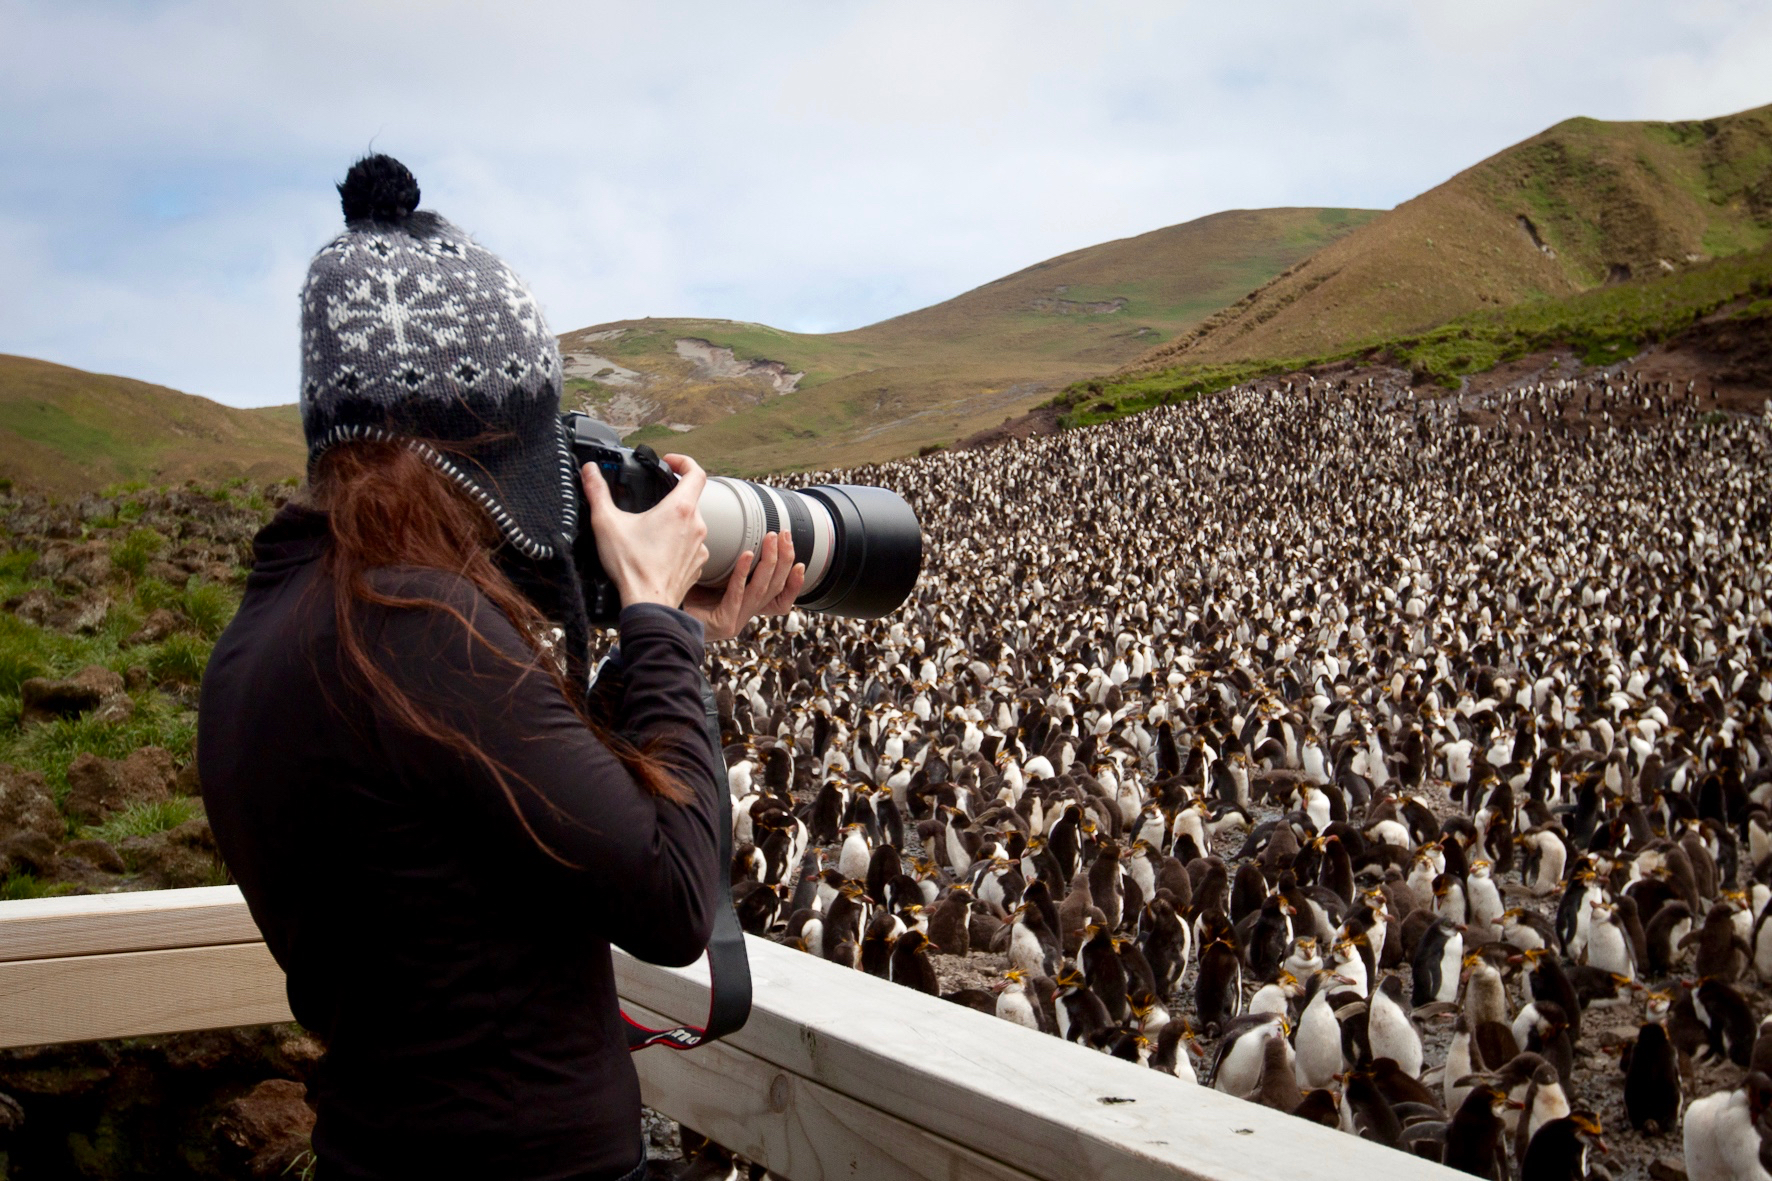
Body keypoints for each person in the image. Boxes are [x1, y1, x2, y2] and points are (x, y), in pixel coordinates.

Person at [199, 155, 803, 1181]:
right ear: (475, 444)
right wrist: (652, 614)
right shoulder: (409, 623)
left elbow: (507, 791)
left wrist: (678, 633)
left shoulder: (275, 627)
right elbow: (665, 894)